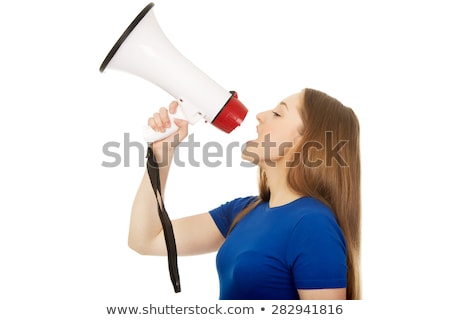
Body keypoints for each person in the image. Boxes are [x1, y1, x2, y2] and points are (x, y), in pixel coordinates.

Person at [128, 88, 361, 300]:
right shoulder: (243, 211)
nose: (260, 115)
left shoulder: (313, 225)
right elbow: (146, 240)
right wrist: (161, 155)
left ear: (307, 142)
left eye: (278, 114)